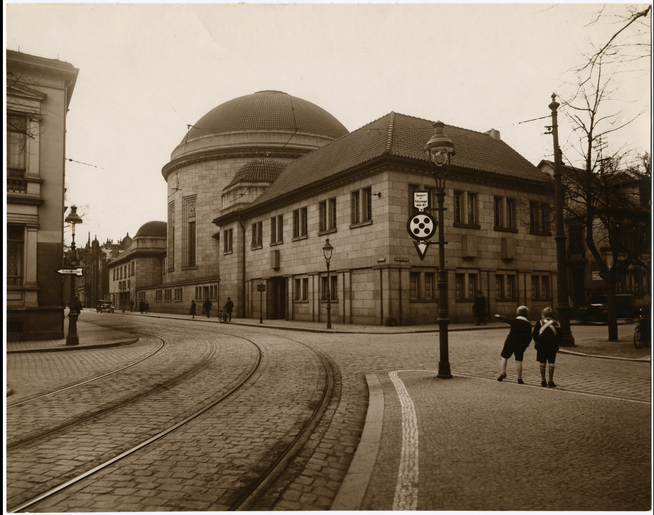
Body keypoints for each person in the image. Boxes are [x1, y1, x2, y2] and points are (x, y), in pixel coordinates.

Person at [496, 305, 532, 384]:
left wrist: (499, 316)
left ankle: (503, 372)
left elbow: (506, 319)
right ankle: (519, 378)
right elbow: (529, 337)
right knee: (519, 360)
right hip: (520, 344)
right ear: (527, 314)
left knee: (504, 357)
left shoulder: (514, 321)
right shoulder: (528, 324)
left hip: (510, 342)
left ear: (517, 313)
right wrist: (525, 345)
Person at [533, 307, 563, 387]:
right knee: (551, 363)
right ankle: (551, 380)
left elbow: (535, 335)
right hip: (552, 345)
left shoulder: (539, 323)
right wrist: (556, 343)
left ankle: (543, 380)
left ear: (543, 315)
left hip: (542, 345)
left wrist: (537, 342)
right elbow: (560, 336)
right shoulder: (557, 324)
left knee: (542, 362)